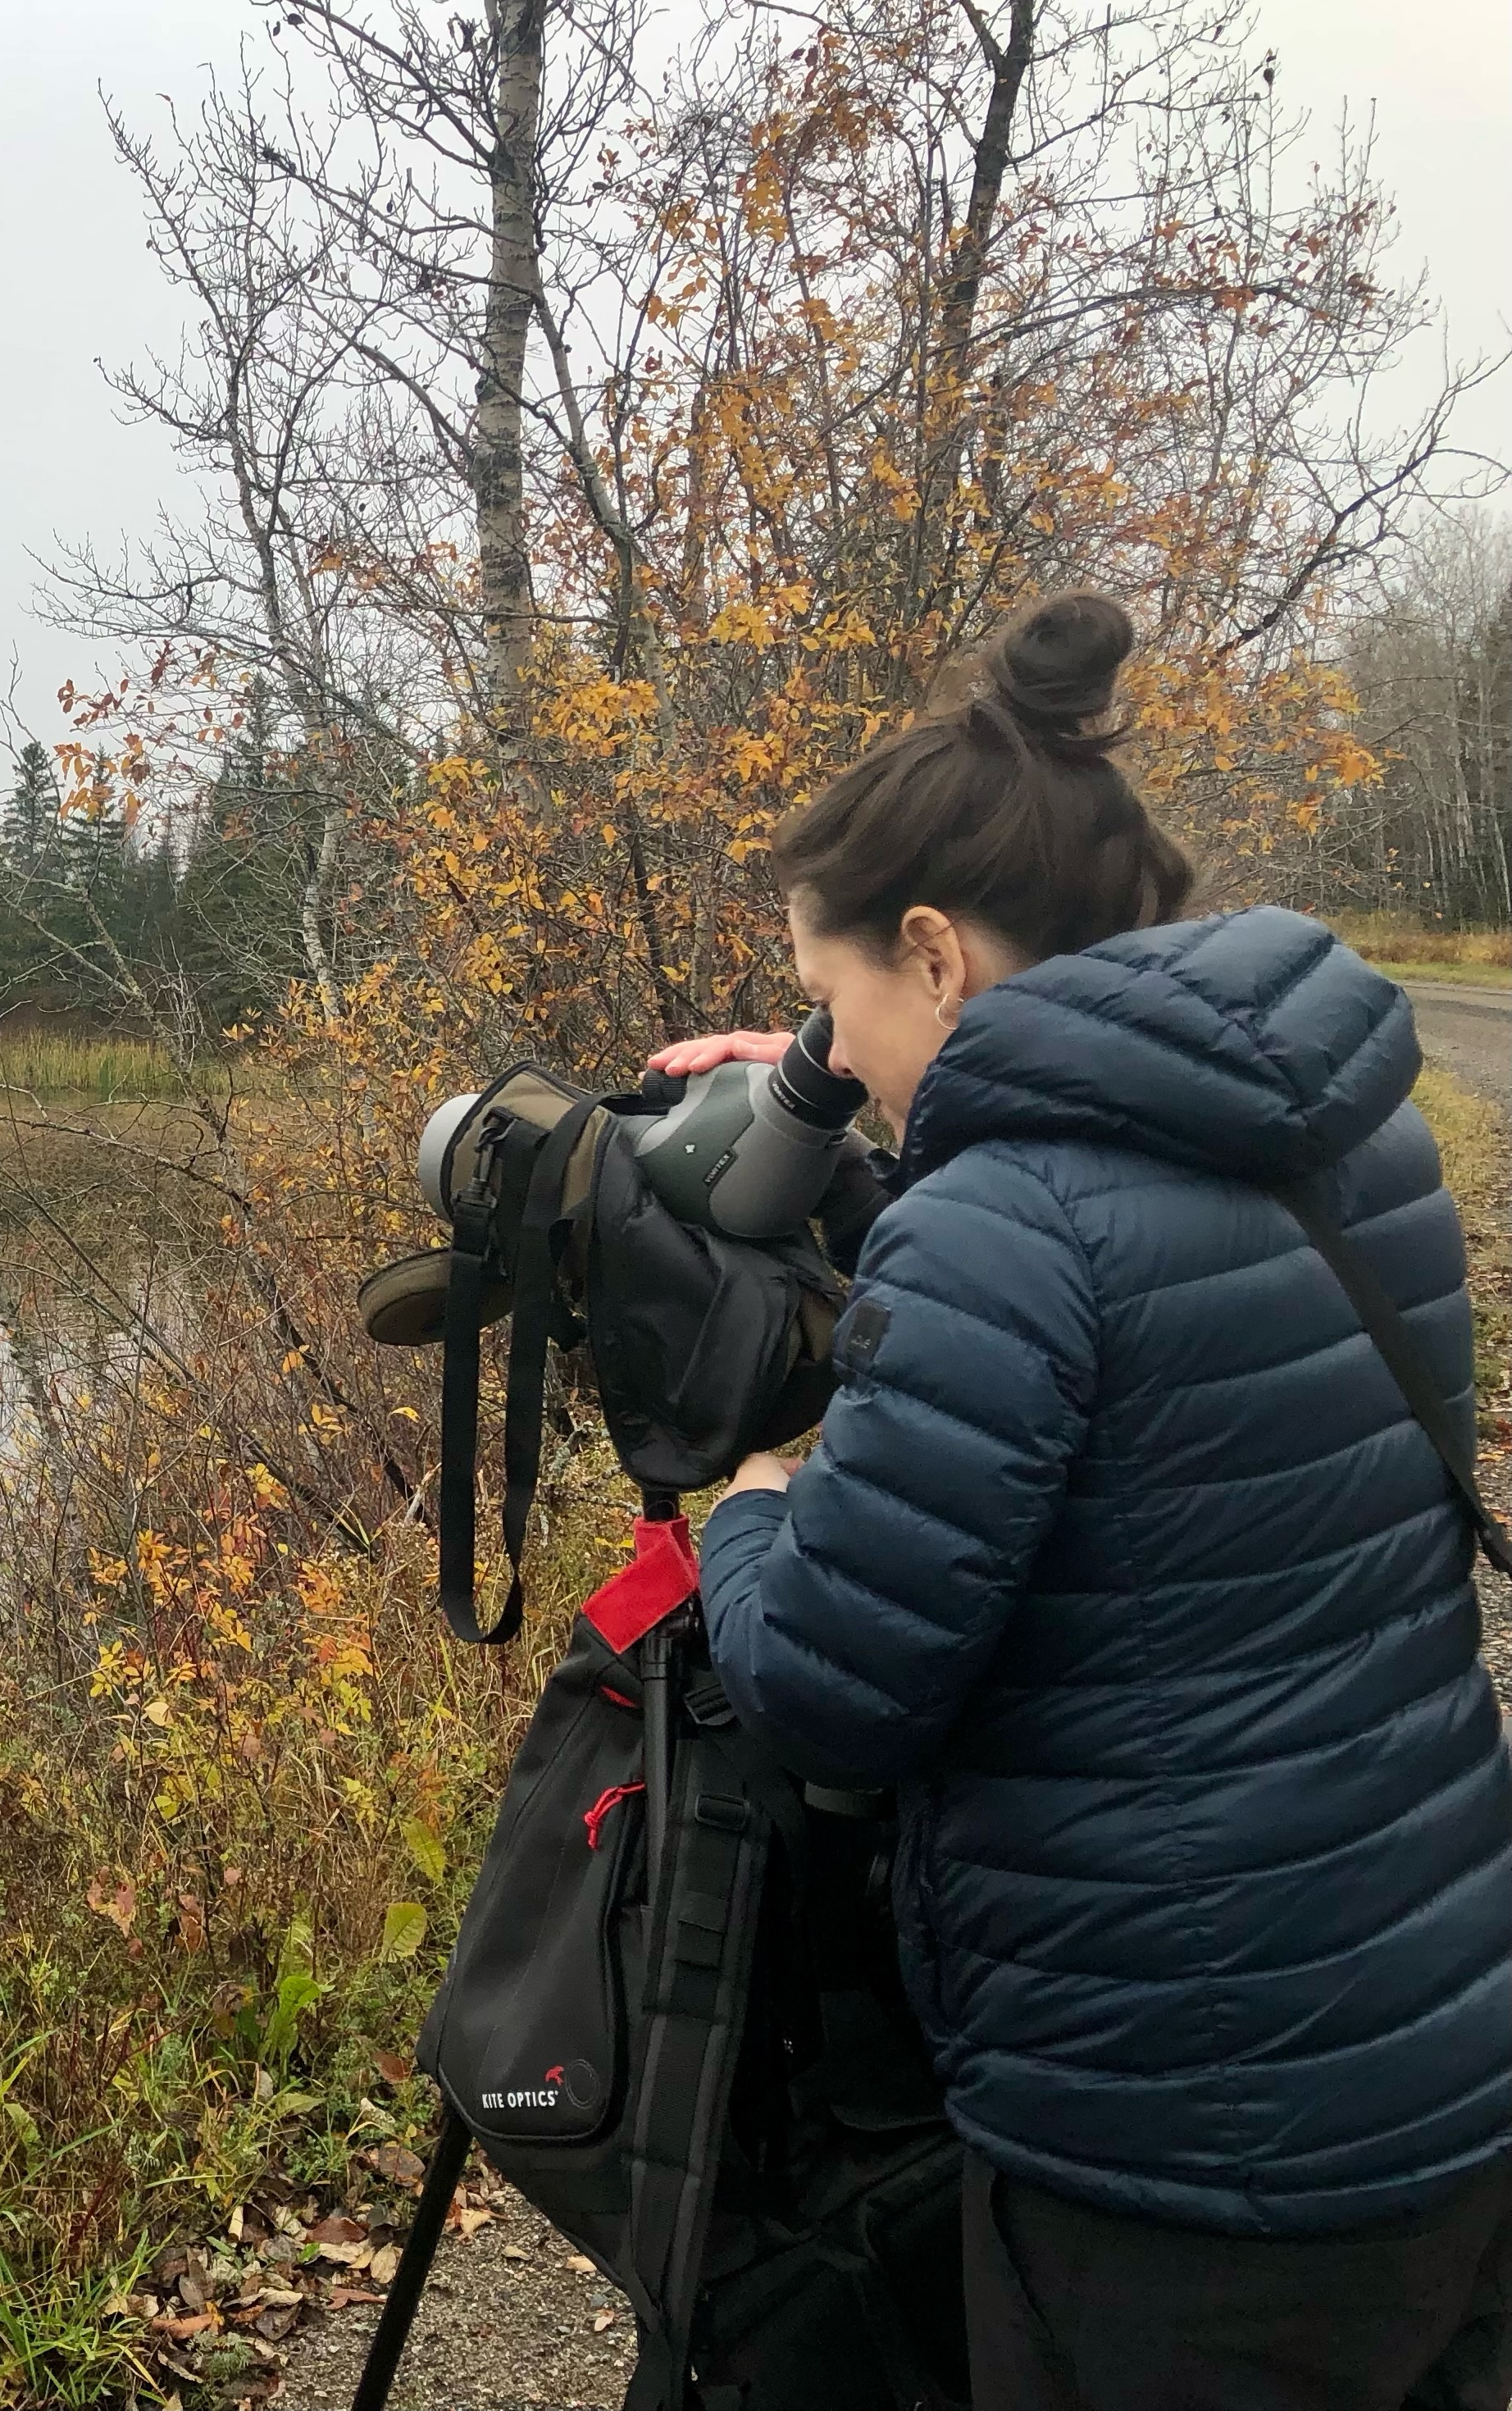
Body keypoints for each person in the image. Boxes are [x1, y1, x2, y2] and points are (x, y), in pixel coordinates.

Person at [657, 590, 1512, 2411]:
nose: (835, 1060)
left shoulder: (1004, 1227)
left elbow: (829, 1682)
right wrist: (843, 1114)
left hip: (1181, 2147)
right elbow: (1143, 1369)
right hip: (1435, 2058)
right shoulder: (1351, 1127)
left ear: (938, 954)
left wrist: (746, 1506)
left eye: (835, 1008)